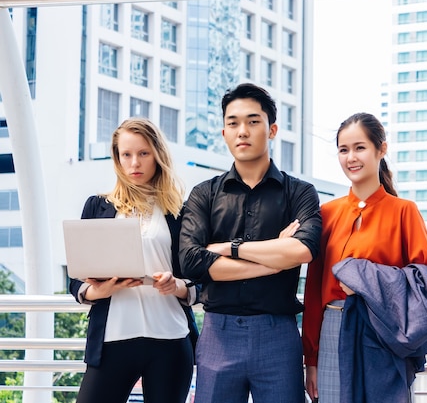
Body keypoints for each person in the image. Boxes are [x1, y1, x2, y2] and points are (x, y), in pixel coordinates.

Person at [179, 82, 322, 403]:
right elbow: (190, 260)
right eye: (233, 123)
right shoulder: (204, 193)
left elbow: (303, 250)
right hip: (218, 333)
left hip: (278, 334)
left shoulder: (299, 193)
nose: (242, 130)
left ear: (272, 130)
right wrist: (274, 261)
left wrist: (228, 248)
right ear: (224, 133)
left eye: (253, 121)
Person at [302, 112, 427, 403]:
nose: (351, 157)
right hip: (334, 329)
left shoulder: (404, 211)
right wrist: (311, 359)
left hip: (384, 332)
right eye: (343, 150)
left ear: (381, 149)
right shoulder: (326, 214)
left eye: (360, 147)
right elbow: (314, 291)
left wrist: (368, 283)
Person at [69, 117, 199, 403]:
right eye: (126, 154)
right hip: (112, 339)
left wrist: (176, 285)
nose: (134, 163)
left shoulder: (181, 212)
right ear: (117, 158)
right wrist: (96, 291)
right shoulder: (98, 206)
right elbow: (76, 277)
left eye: (143, 153)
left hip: (170, 338)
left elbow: (198, 279)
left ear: (157, 155)